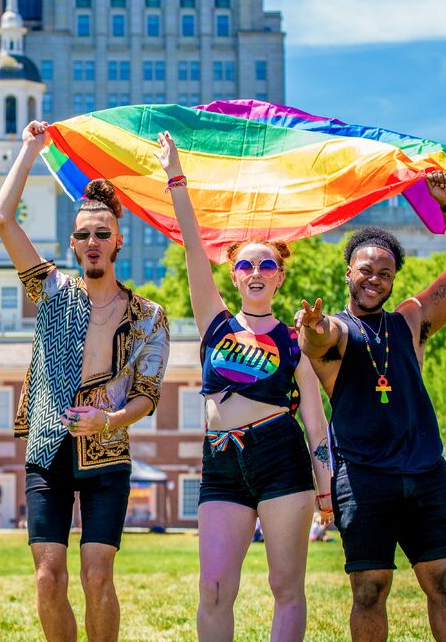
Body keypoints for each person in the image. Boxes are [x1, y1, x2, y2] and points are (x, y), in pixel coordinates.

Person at [0, 120, 170, 642]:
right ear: (73, 244)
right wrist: (30, 150)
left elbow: (146, 395)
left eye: (102, 234)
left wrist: (108, 419)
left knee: (97, 578)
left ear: (119, 239)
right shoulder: (52, 292)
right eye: (84, 235)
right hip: (48, 449)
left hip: (107, 456)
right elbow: (2, 217)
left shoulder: (148, 316)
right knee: (48, 579)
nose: (93, 242)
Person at [157, 132, 333, 641]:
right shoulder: (214, 321)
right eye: (245, 265)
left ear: (279, 277)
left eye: (267, 265)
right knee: (213, 587)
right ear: (233, 275)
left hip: (282, 457)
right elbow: (193, 245)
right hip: (222, 461)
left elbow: (316, 421)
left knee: (286, 586)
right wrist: (176, 177)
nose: (256, 272)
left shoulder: (295, 340)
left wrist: (326, 490)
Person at [295, 170, 446, 642]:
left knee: (443, 583)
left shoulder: (411, 320)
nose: (374, 279)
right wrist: (310, 326)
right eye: (365, 269)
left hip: (425, 471)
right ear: (348, 273)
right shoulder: (336, 330)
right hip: (363, 477)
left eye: (384, 272)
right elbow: (320, 341)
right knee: (369, 592)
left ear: (393, 279)